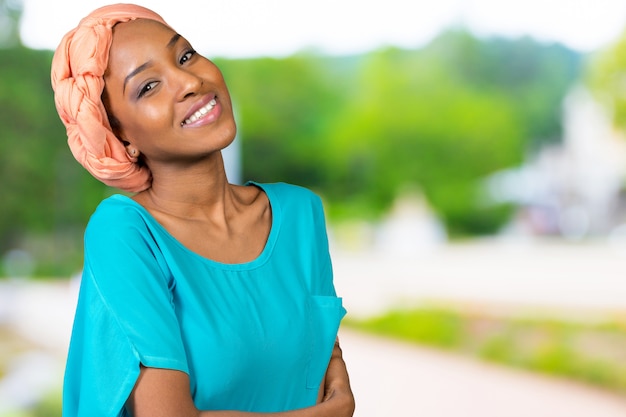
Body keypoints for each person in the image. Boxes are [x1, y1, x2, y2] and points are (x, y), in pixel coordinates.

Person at [50, 4, 355, 417]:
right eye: (148, 87)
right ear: (120, 134)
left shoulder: (301, 214)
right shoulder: (126, 233)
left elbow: (321, 362)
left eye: (185, 55)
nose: (190, 81)